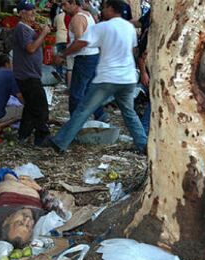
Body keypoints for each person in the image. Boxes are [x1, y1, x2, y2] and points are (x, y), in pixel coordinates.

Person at [48, 0, 148, 154]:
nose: (102, 10)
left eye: (104, 7)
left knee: (83, 110)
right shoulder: (129, 27)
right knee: (129, 113)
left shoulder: (103, 27)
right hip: (127, 78)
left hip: (108, 78)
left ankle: (60, 142)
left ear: (110, 8)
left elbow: (81, 43)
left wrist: (63, 54)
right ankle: (143, 144)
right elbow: (133, 49)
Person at [54, 0, 108, 122]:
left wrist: (62, 54)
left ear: (74, 3)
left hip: (85, 58)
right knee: (90, 90)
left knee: (76, 93)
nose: (63, 8)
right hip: (93, 56)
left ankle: (75, 123)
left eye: (65, 4)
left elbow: (80, 43)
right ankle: (100, 115)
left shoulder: (77, 19)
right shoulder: (88, 15)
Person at [13, 0, 51, 146]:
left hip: (29, 73)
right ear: (22, 13)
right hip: (27, 75)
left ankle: (23, 134)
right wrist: (43, 34)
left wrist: (40, 32)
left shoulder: (27, 28)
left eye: (34, 10)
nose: (34, 13)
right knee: (40, 107)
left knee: (31, 106)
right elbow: (30, 48)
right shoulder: (22, 28)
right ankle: (42, 136)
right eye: (30, 10)